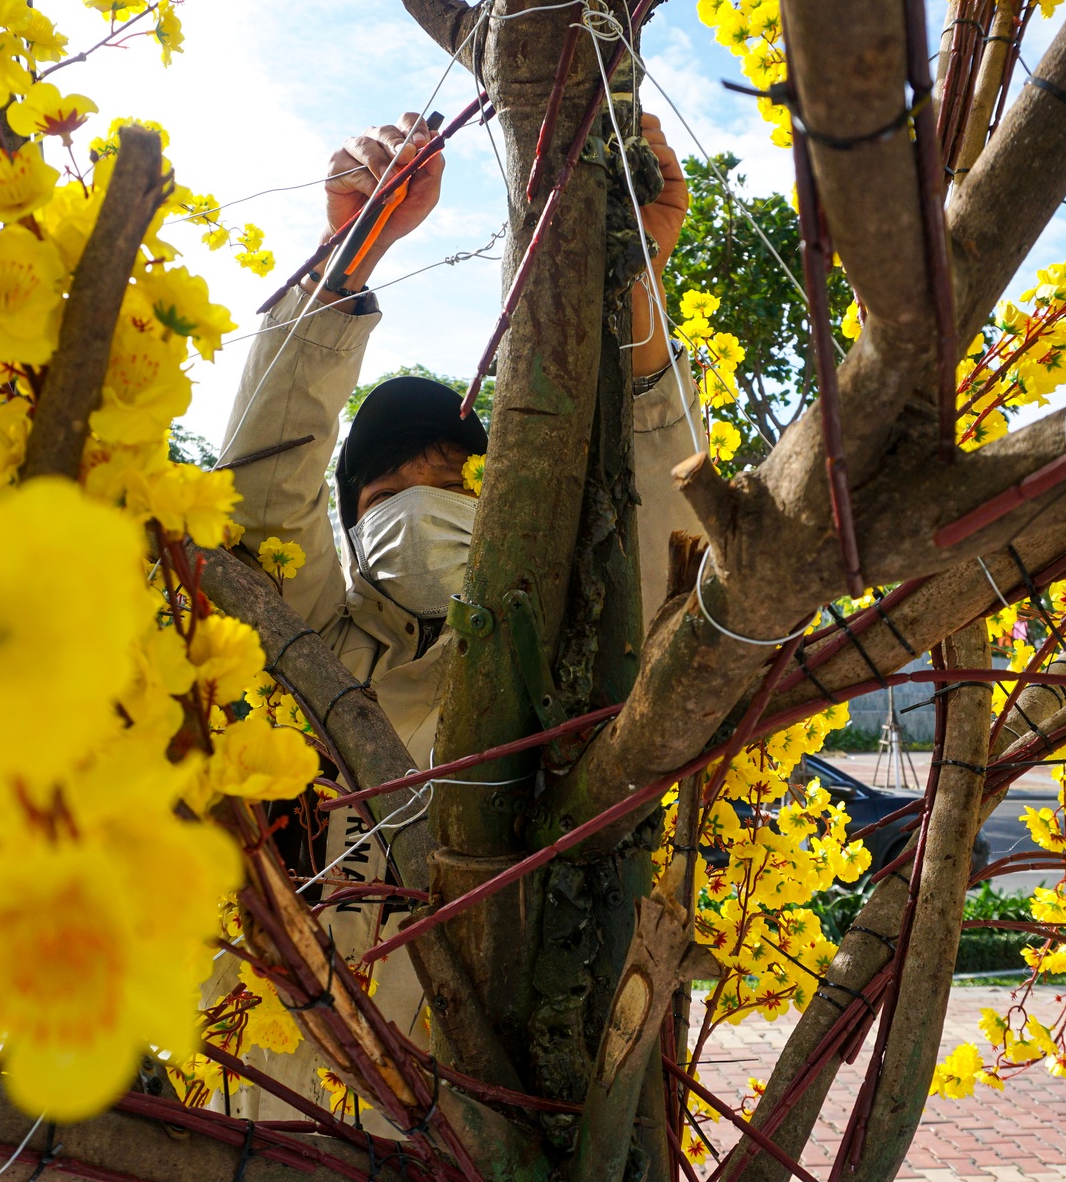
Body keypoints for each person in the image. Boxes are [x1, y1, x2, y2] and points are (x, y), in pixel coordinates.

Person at [211, 110, 705, 1118]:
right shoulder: (305, 644)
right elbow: (263, 486)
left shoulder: (552, 685)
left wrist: (636, 280)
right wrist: (351, 251)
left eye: (456, 483)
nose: (427, 507)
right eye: (394, 491)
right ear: (349, 522)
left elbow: (666, 531)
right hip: (242, 1109)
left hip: (465, 1122)